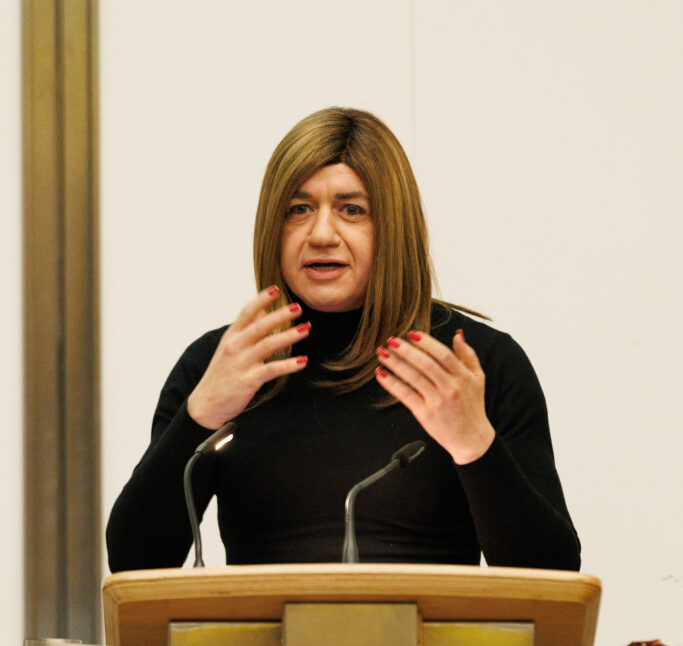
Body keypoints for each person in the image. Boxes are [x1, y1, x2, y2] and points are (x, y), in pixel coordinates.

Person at [106, 107, 580, 572]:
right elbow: (133, 563)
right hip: (263, 628)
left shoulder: (473, 365)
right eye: (298, 210)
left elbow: (553, 576)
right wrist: (199, 418)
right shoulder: (224, 365)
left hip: (432, 628)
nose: (321, 234)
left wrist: (475, 444)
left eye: (352, 210)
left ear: (393, 226)